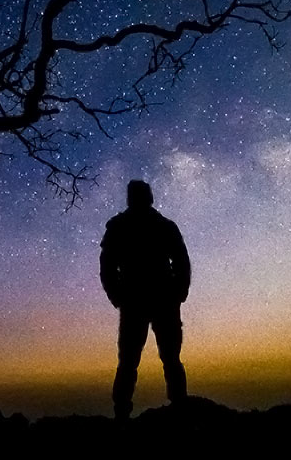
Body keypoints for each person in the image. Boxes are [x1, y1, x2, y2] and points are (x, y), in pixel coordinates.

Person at [100, 179, 191, 418]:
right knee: (140, 360)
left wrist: (180, 291)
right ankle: (129, 411)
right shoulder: (156, 226)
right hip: (145, 299)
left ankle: (128, 412)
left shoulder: (131, 226)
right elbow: (107, 266)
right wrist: (117, 296)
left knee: (157, 359)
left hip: (152, 299)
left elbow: (181, 261)